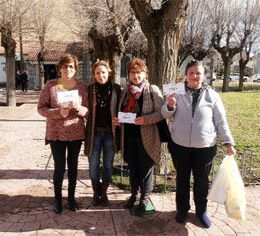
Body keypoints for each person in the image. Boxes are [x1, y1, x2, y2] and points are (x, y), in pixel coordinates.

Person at [161, 60, 236, 228]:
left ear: (203, 76)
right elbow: (164, 114)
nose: (195, 76)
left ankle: (201, 211)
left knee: (202, 181)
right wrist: (170, 105)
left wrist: (228, 142)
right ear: (186, 75)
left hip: (205, 147)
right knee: (182, 179)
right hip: (180, 146)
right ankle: (182, 209)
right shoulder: (177, 92)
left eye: (198, 73)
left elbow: (221, 121)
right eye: (191, 73)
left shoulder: (212, 95)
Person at [37, 54, 88, 214]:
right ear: (59, 68)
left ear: (75, 69)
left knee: (73, 167)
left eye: (71, 66)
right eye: (65, 66)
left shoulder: (81, 86)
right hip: (56, 133)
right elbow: (41, 108)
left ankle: (71, 199)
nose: (68, 69)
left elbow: (87, 110)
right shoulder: (50, 86)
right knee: (59, 167)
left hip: (76, 132)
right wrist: (59, 113)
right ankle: (57, 199)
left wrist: (79, 109)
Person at [113, 57, 164, 216]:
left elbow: (161, 113)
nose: (136, 76)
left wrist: (145, 120)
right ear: (129, 74)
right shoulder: (125, 91)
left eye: (139, 72)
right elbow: (121, 112)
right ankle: (134, 194)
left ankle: (144, 197)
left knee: (146, 168)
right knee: (133, 167)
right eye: (133, 73)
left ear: (145, 73)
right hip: (128, 136)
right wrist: (117, 120)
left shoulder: (152, 90)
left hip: (146, 136)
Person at [84, 60, 121, 207]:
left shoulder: (116, 89)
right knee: (93, 164)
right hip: (94, 133)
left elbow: (121, 108)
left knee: (108, 164)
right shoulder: (90, 89)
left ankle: (104, 190)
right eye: (98, 73)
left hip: (110, 133)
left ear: (109, 73)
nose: (101, 75)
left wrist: (121, 119)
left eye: (103, 72)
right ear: (94, 74)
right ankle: (95, 190)